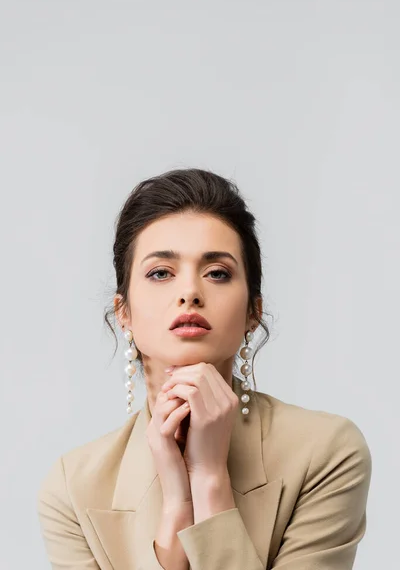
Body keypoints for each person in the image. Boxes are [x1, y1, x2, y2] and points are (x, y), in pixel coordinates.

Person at [37, 168, 372, 570]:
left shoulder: (327, 451)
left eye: (217, 273)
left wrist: (210, 478)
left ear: (253, 311)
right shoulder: (74, 486)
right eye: (161, 272)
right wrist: (177, 505)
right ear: (122, 312)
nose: (190, 292)